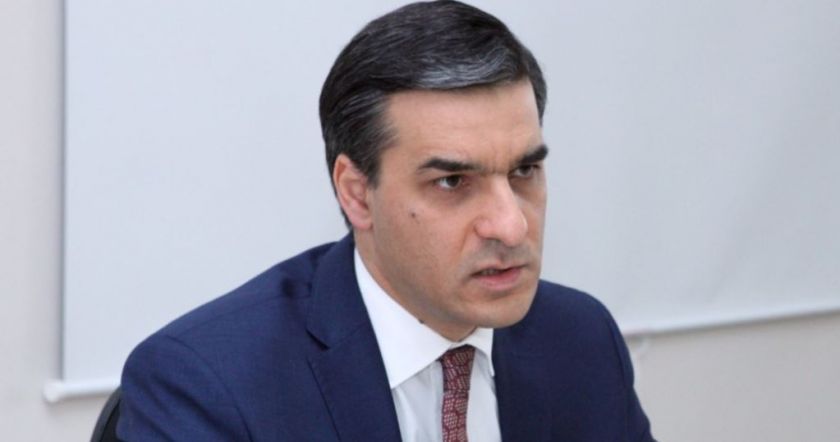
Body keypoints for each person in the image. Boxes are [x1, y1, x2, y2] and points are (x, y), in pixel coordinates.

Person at [118, 1, 655, 441]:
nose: (511, 227)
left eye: (524, 171)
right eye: (453, 182)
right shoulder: (209, 384)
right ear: (357, 194)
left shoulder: (580, 338)